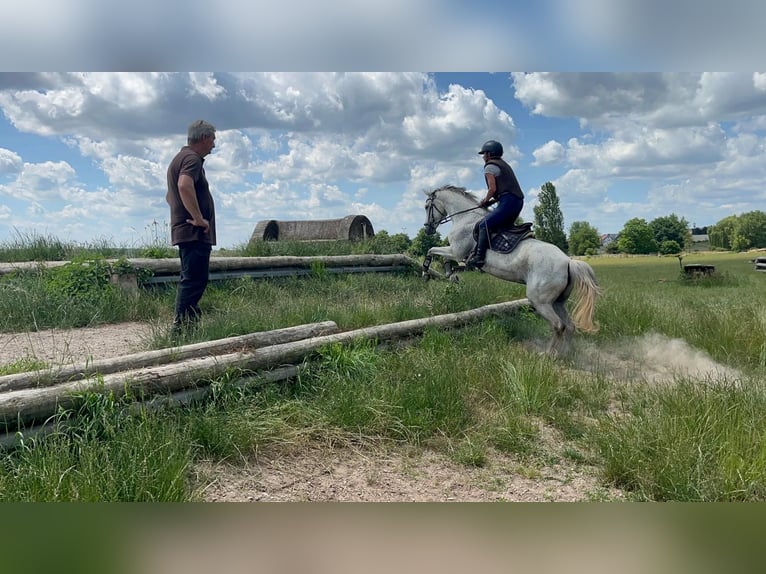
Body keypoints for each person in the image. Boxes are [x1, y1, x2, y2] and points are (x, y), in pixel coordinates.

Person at [166, 119, 217, 331]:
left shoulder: (179, 159)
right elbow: (183, 185)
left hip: (186, 231)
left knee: (191, 279)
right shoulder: (192, 159)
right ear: (204, 138)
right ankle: (182, 329)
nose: (214, 144)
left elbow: (170, 196)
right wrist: (197, 218)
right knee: (194, 281)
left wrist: (180, 214)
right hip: (194, 232)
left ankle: (189, 325)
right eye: (213, 139)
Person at [465, 139, 524, 269]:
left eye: (484, 154)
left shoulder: (490, 166)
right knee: (502, 227)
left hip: (508, 202)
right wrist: (491, 201)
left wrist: (485, 201)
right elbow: (503, 191)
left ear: (490, 154)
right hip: (517, 202)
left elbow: (492, 189)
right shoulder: (504, 164)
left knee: (483, 225)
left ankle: (479, 258)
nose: (483, 157)